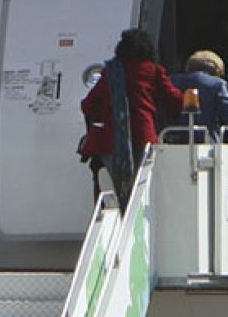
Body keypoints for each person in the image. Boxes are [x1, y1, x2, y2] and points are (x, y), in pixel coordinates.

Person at [78, 28, 183, 203]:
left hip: (112, 142)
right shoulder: (154, 71)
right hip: (144, 137)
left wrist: (105, 116)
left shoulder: (111, 71)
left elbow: (88, 105)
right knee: (142, 191)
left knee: (123, 193)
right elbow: (174, 100)